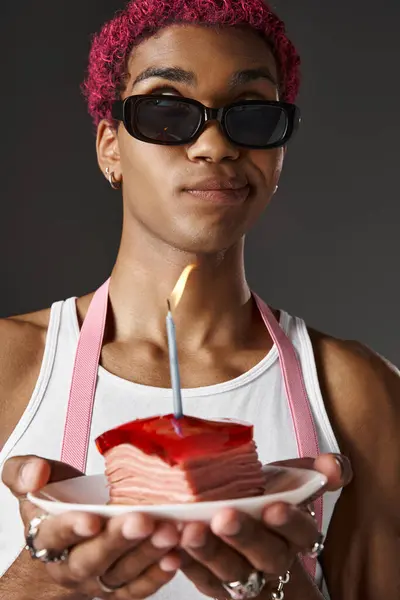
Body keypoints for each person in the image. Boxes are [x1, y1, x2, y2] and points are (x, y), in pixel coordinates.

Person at [0, 0, 398, 599]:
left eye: (252, 115)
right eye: (166, 110)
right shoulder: (9, 365)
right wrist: (44, 585)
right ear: (111, 148)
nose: (215, 145)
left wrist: (282, 593)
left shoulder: (358, 390)